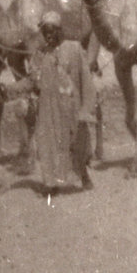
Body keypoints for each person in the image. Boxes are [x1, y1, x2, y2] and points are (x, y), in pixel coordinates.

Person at [27, 12, 96, 196]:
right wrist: (8, 87)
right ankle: (51, 184)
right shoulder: (39, 55)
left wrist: (86, 109)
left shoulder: (74, 49)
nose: (48, 35)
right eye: (44, 31)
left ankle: (83, 175)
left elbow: (87, 81)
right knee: (47, 145)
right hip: (48, 112)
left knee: (76, 143)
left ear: (59, 30)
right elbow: (32, 82)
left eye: (52, 30)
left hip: (71, 109)